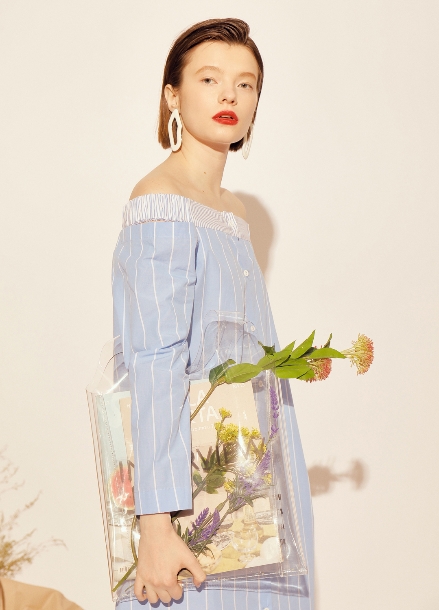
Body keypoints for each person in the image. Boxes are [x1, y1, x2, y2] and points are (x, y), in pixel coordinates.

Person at [112, 17, 314, 610]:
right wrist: (155, 526)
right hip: (190, 495)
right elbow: (155, 363)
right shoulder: (160, 203)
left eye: (246, 84)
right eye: (209, 78)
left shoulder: (231, 212)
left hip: (252, 479)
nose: (230, 94)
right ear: (172, 95)